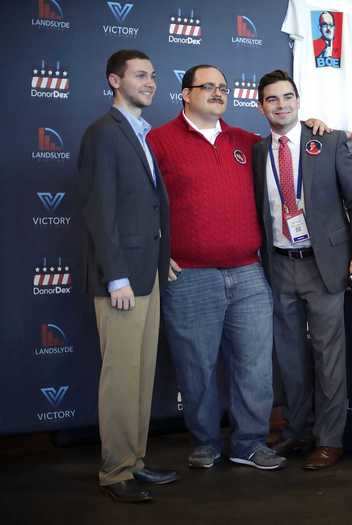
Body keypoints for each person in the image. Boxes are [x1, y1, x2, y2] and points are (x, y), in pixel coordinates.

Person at [147, 65, 327, 472]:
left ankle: (248, 443)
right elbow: (139, 200)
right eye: (207, 86)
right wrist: (157, 251)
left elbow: (289, 145)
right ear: (185, 94)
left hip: (249, 272)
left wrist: (314, 126)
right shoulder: (159, 140)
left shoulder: (248, 142)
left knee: (255, 365)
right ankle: (206, 442)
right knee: (197, 366)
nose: (217, 92)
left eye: (223, 87)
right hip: (190, 275)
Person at [253, 69, 352, 470]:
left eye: (288, 97)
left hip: (326, 266)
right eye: (272, 99)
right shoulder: (255, 153)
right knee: (288, 359)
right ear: (261, 107)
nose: (281, 105)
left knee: (328, 356)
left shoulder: (329, 140)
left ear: (299, 101)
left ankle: (330, 439)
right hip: (280, 265)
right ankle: (297, 433)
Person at [77, 49, 176, 503]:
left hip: (147, 274)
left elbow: (147, 208)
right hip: (121, 280)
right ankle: (116, 471)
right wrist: (115, 276)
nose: (150, 82)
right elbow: (101, 211)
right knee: (120, 376)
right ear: (114, 81)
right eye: (140, 75)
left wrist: (161, 258)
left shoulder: (140, 134)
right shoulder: (103, 134)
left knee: (140, 375)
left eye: (153, 76)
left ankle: (134, 462)